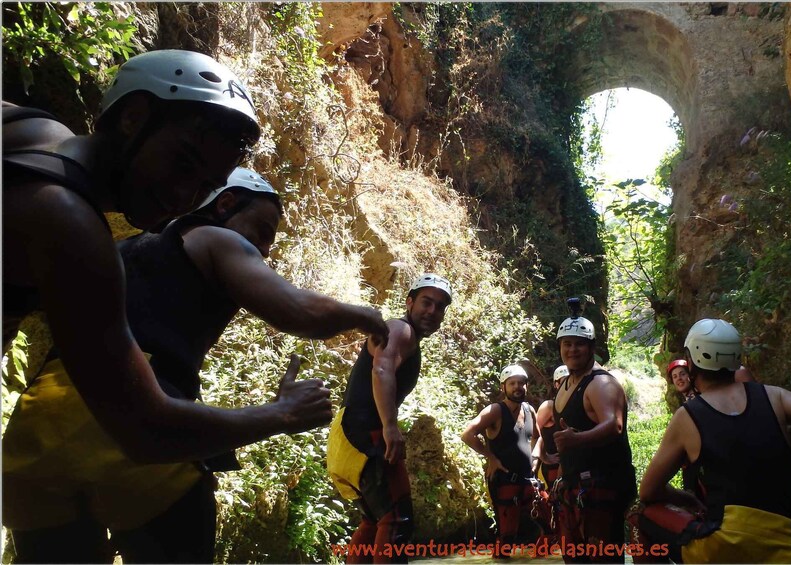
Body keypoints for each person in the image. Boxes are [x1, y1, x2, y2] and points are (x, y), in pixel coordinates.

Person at [4, 167, 389, 563]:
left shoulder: (120, 249)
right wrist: (368, 317)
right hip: (137, 415)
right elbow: (300, 311)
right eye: (262, 230)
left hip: (36, 431)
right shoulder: (215, 238)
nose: (264, 250)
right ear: (224, 204)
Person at [2, 49, 332, 469]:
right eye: (182, 162)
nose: (183, 196)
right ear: (133, 118)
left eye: (204, 185)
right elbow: (147, 431)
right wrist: (283, 413)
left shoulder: (30, 127)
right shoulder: (75, 231)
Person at [637, 319, 791, 563]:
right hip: (787, 545)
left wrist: (688, 499)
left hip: (726, 549)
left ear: (693, 361)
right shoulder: (772, 396)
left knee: (643, 517)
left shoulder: (688, 416)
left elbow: (648, 491)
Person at [327, 274, 452, 564]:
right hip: (366, 433)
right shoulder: (400, 329)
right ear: (409, 302)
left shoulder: (403, 334)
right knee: (397, 521)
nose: (433, 311)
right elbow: (381, 370)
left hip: (347, 433)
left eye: (441, 307)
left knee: (375, 520)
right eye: (426, 302)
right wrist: (390, 426)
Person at [552, 302, 636, 564]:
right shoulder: (566, 382)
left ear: (591, 347)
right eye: (567, 343)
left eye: (579, 344)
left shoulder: (601, 383)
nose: (572, 349)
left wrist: (578, 439)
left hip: (603, 489)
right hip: (576, 488)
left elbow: (614, 424)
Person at [460, 364, 542, 557]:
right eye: (512, 383)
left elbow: (539, 437)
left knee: (550, 523)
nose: (517, 387)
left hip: (528, 480)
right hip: (505, 480)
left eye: (521, 383)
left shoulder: (530, 410)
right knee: (507, 536)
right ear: (503, 387)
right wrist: (491, 458)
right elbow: (467, 434)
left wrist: (537, 457)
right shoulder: (495, 411)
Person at [530, 364, 568, 547]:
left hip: (570, 468)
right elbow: (534, 434)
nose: (567, 384)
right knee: (556, 511)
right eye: (563, 381)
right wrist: (543, 456)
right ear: (556, 384)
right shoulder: (549, 406)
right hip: (552, 468)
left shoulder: (577, 405)